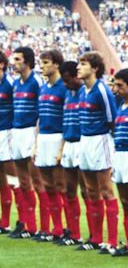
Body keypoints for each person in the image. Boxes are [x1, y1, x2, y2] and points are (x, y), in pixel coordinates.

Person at [76, 51, 118, 253]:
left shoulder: (102, 90)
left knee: (106, 191)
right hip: (84, 140)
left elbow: (112, 120)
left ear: (95, 69)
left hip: (100, 140)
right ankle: (96, 238)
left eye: (83, 64)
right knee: (90, 191)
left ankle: (111, 241)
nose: (78, 67)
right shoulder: (83, 90)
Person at [0, 49, 23, 235]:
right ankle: (5, 222)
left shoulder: (10, 84)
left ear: (1, 64)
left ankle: (23, 220)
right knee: (0, 180)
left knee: (13, 178)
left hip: (8, 133)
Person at [9, 47, 44, 239]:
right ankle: (28, 225)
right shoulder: (16, 83)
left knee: (38, 181)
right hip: (17, 131)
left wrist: (37, 139)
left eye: (18, 59)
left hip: (31, 131)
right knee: (22, 182)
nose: (14, 62)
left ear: (28, 61)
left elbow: (40, 112)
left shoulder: (36, 82)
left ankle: (44, 226)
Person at [33, 50, 67, 242]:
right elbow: (39, 118)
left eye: (46, 62)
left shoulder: (63, 87)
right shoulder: (44, 88)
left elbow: (66, 118)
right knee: (48, 186)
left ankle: (68, 229)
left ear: (56, 65)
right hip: (43, 138)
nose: (42, 66)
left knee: (61, 185)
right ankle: (55, 228)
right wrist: (35, 144)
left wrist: (62, 147)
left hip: (57, 137)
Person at [58, 61, 87, 246]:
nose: (66, 84)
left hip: (82, 143)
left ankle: (94, 236)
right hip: (68, 144)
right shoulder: (68, 95)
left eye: (68, 80)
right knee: (69, 190)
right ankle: (73, 233)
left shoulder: (86, 93)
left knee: (87, 191)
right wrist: (61, 149)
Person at [112, 68, 128, 257]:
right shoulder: (120, 106)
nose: (116, 89)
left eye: (120, 85)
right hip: (120, 156)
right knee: (125, 202)